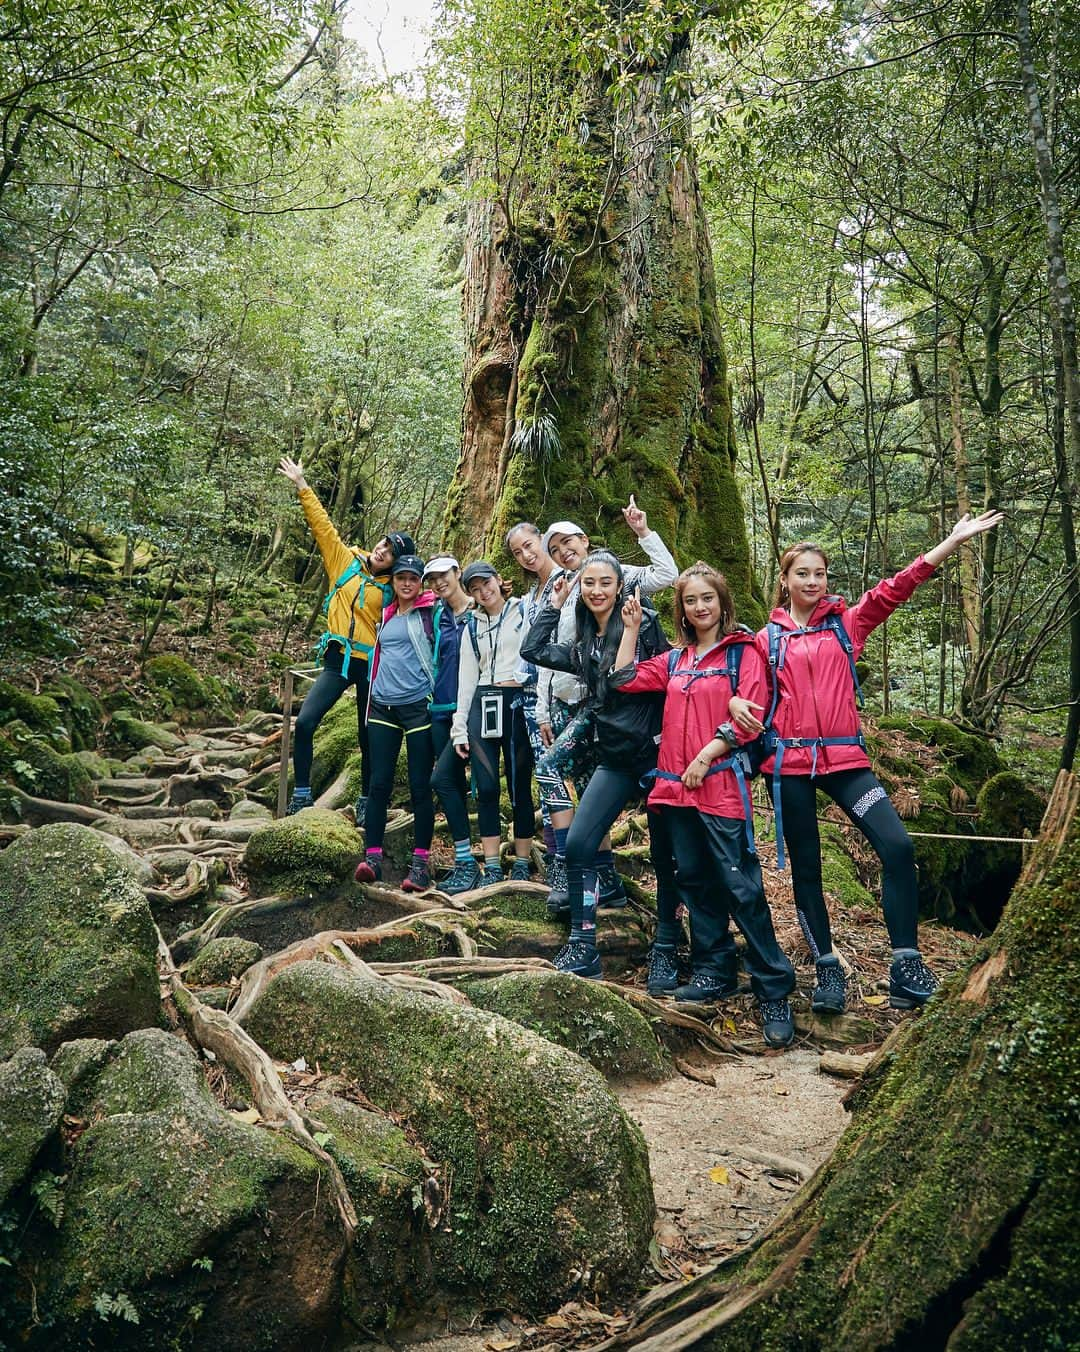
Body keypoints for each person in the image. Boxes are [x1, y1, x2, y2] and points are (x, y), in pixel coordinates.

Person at [729, 511, 1004, 1012]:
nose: (813, 582)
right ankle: (827, 971)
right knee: (807, 871)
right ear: (785, 580)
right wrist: (732, 707)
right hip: (788, 767)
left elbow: (894, 590)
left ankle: (906, 966)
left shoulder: (846, 625)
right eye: (803, 574)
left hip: (846, 760)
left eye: (820, 573)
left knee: (897, 848)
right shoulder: (763, 641)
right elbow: (745, 694)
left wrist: (949, 542)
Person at [614, 568, 796, 1048]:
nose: (700, 607)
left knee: (741, 887)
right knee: (693, 881)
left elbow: (752, 719)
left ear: (722, 602)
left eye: (707, 598)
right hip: (675, 791)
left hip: (718, 786)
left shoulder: (743, 653)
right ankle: (714, 968)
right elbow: (624, 678)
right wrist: (631, 629)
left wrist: (707, 754)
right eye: (691, 600)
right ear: (682, 610)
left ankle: (773, 988)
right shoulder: (676, 660)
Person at [520, 551, 673, 979]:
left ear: (620, 584)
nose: (596, 591)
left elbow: (668, 677)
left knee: (667, 856)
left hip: (655, 753)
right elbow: (533, 649)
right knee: (580, 845)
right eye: (589, 584)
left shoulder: (643, 625)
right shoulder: (584, 644)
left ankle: (667, 943)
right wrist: (554, 603)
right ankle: (583, 945)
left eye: (605, 582)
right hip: (614, 754)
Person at [533, 498, 678, 914]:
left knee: (586, 783)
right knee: (577, 787)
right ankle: (598, 877)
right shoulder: (561, 588)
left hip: (615, 708)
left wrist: (642, 531)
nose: (563, 551)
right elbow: (551, 653)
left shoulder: (615, 574)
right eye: (555, 548)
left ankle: (581, 872)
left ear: (585, 539)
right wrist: (544, 709)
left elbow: (668, 576)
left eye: (568, 541)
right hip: (569, 700)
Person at [276, 455, 414, 822]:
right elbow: (323, 529)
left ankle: (369, 800)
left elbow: (429, 601)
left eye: (391, 553)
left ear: (396, 563)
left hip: (372, 665)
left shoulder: (397, 589)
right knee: (305, 722)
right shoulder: (346, 561)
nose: (382, 550)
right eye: (384, 543)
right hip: (339, 658)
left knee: (368, 736)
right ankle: (302, 793)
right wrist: (303, 486)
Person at [436, 561, 535, 892]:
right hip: (483, 704)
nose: (483, 591)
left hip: (517, 702)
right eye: (475, 588)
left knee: (520, 786)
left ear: (498, 580)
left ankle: (522, 862)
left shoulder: (523, 612)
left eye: (486, 583)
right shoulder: (471, 627)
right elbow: (466, 680)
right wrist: (459, 727)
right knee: (488, 787)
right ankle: (491, 866)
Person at [353, 554, 438, 892]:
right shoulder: (385, 614)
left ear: (420, 583)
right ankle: (372, 858)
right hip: (382, 707)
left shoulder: (431, 612)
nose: (406, 583)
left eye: (413, 578)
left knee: (420, 786)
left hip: (418, 707)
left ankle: (419, 864)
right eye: (401, 577)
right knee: (378, 784)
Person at [505, 522, 563, 872]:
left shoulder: (562, 581)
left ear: (542, 539)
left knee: (553, 773)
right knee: (544, 776)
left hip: (552, 696)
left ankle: (566, 858)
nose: (527, 555)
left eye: (530, 545)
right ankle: (558, 852)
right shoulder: (533, 592)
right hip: (527, 695)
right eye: (518, 552)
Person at [424, 556, 476, 886]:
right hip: (439, 710)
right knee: (453, 784)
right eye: (433, 578)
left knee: (441, 780)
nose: (439, 582)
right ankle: (466, 862)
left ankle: (470, 863)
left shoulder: (479, 607)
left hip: (469, 709)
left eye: (444, 575)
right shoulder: (437, 614)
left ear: (458, 573)